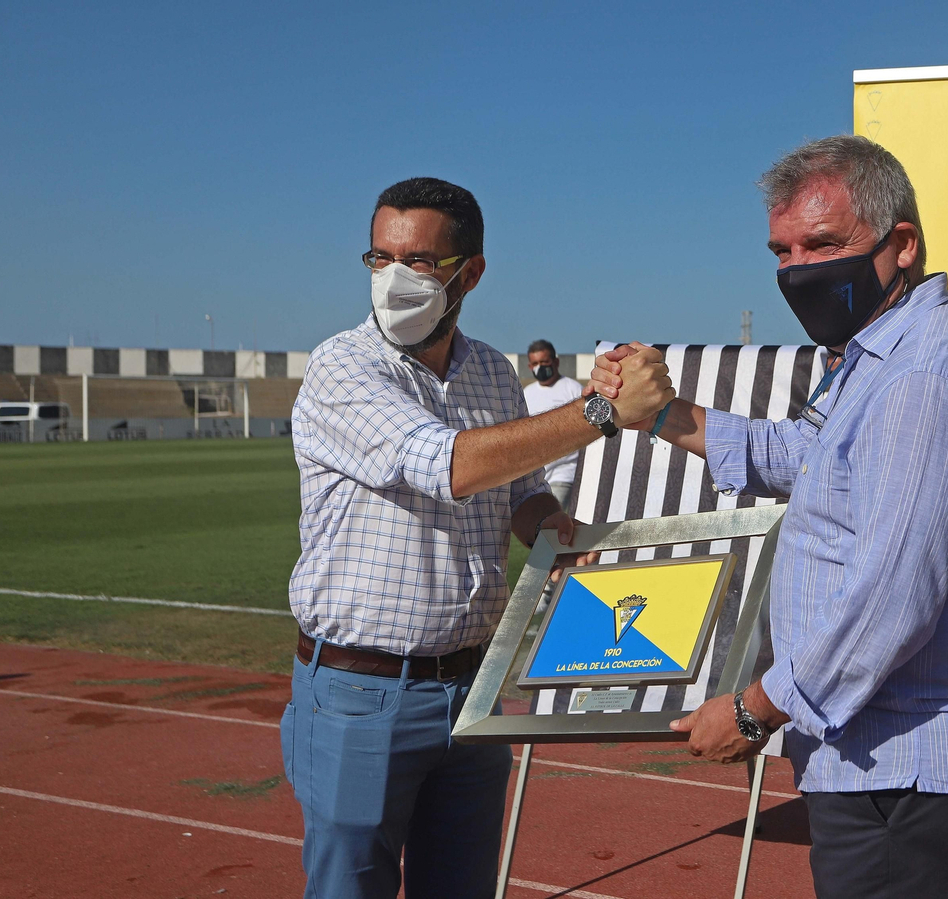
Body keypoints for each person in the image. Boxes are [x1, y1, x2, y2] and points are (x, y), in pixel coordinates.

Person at [591, 136, 948, 899]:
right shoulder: (874, 355)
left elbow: (889, 601)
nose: (797, 269)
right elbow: (803, 453)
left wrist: (754, 709)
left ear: (901, 244)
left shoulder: (922, 377)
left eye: (823, 243)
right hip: (887, 758)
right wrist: (662, 413)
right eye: (783, 250)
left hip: (911, 765)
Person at [284, 177, 673, 899]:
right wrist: (601, 409)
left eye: (421, 261)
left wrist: (550, 526)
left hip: (471, 690)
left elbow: (514, 490)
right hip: (364, 691)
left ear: (472, 272)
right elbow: (451, 465)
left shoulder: (492, 371)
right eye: (380, 257)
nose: (395, 278)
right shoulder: (343, 365)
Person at [520, 339, 585, 510]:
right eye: (535, 363)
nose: (539, 367)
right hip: (534, 477)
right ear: (529, 367)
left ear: (555, 362)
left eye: (544, 362)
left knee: (551, 523)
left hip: (565, 474)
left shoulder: (573, 389)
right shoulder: (527, 393)